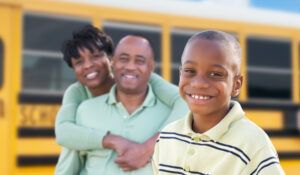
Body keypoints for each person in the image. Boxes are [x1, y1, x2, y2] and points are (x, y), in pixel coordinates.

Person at [54, 25, 188, 174]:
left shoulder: (145, 80)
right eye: (79, 62)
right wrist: (112, 140)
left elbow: (184, 101)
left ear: (110, 59)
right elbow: (64, 132)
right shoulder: (79, 98)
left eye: (95, 56)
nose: (88, 65)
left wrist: (148, 148)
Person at [152, 30, 285, 175]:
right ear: (180, 74)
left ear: (236, 84)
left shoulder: (253, 143)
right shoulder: (167, 136)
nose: (198, 83)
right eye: (190, 71)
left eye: (215, 74)